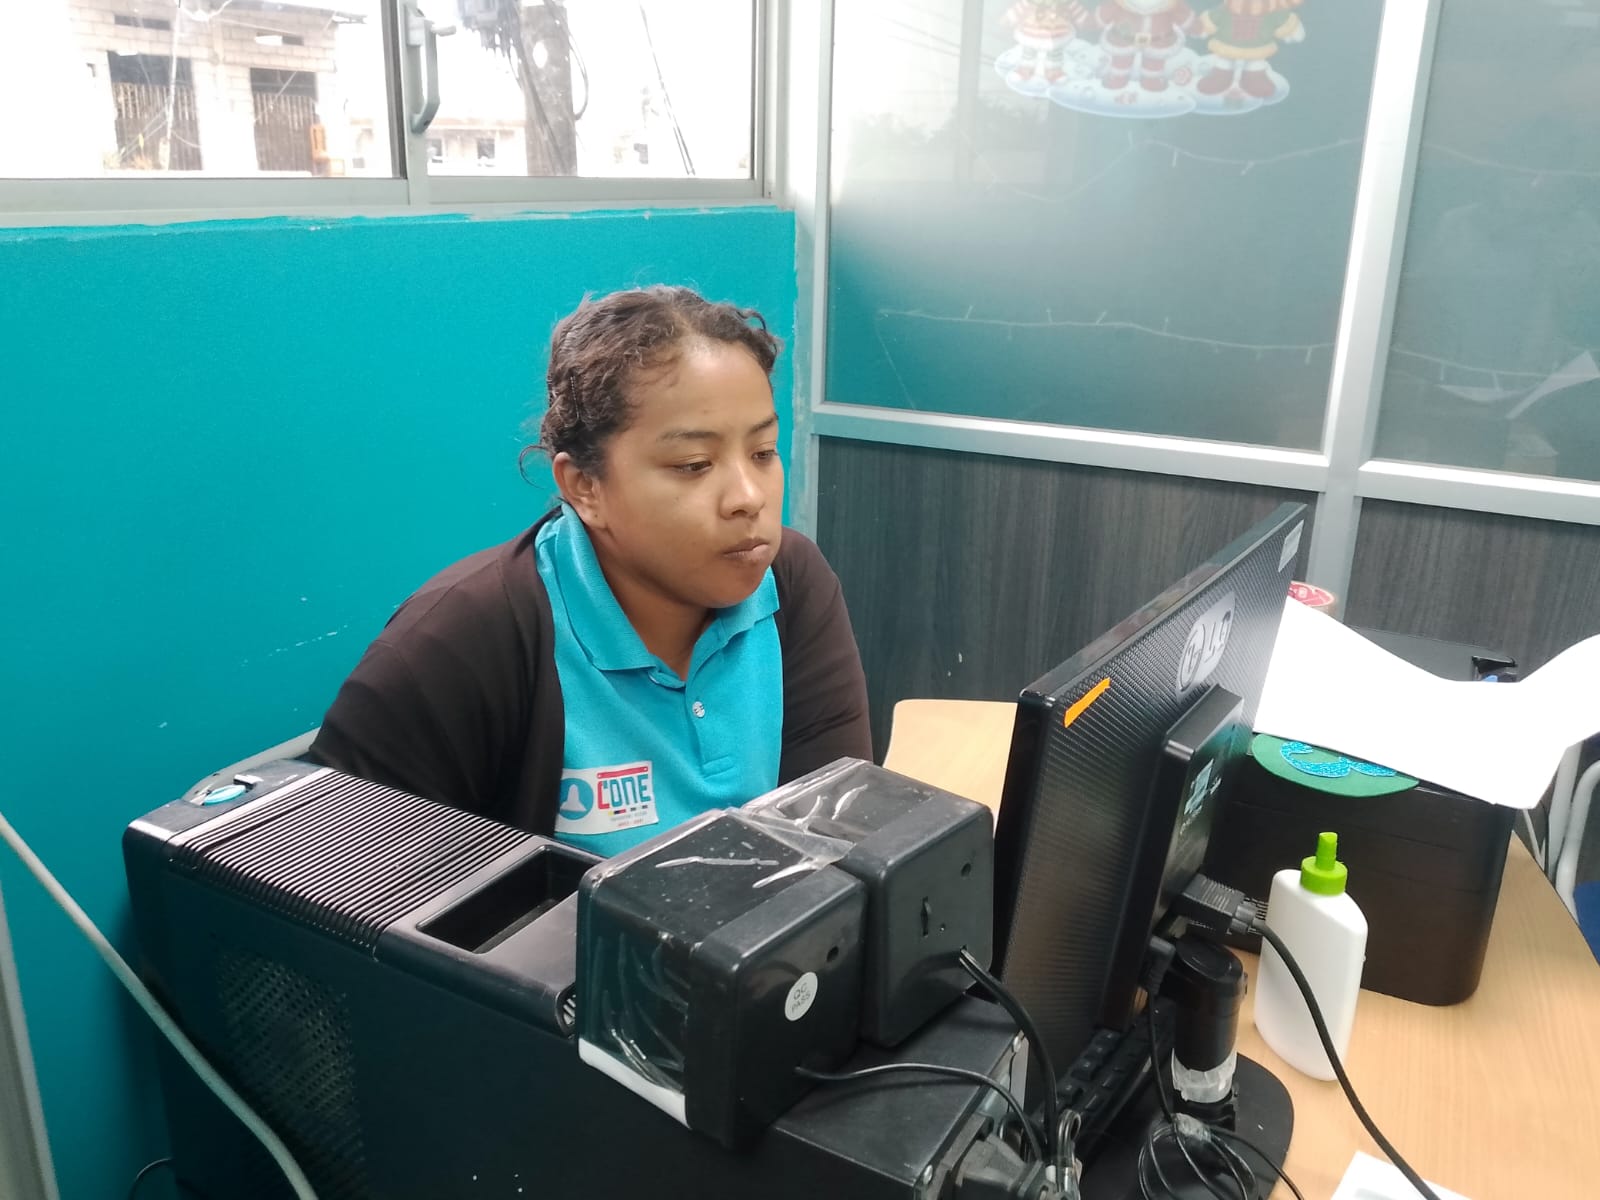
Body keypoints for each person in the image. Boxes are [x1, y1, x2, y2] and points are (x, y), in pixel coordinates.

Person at [307, 286, 872, 856]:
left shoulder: (791, 581)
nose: (748, 497)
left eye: (763, 452)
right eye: (693, 464)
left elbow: (834, 839)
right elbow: (329, 884)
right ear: (585, 487)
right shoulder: (459, 640)